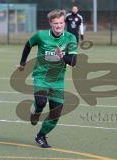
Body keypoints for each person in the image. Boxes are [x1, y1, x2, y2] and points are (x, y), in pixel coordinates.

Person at [18, 9, 77, 148]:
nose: (59, 26)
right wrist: (22, 62)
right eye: (55, 23)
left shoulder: (70, 38)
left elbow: (73, 61)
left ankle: (41, 135)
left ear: (64, 23)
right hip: (41, 76)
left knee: (56, 112)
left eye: (61, 23)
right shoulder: (41, 35)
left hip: (58, 80)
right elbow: (28, 44)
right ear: (50, 23)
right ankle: (36, 111)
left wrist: (62, 55)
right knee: (41, 100)